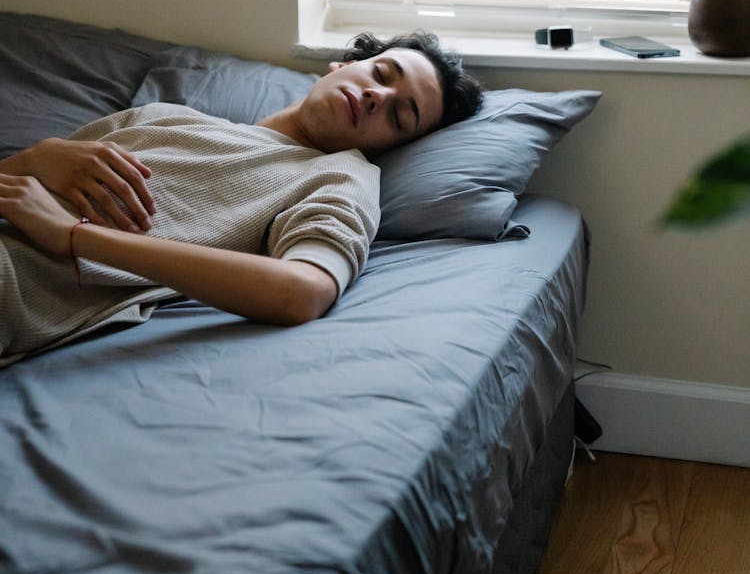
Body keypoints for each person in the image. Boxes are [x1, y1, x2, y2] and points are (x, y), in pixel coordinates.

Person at [0, 31, 483, 364]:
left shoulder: (338, 177)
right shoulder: (163, 116)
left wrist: (74, 238)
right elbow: (18, 193)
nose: (379, 96)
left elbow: (303, 291)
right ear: (344, 65)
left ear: (392, 147)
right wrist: (36, 158)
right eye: (382, 73)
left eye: (400, 117)